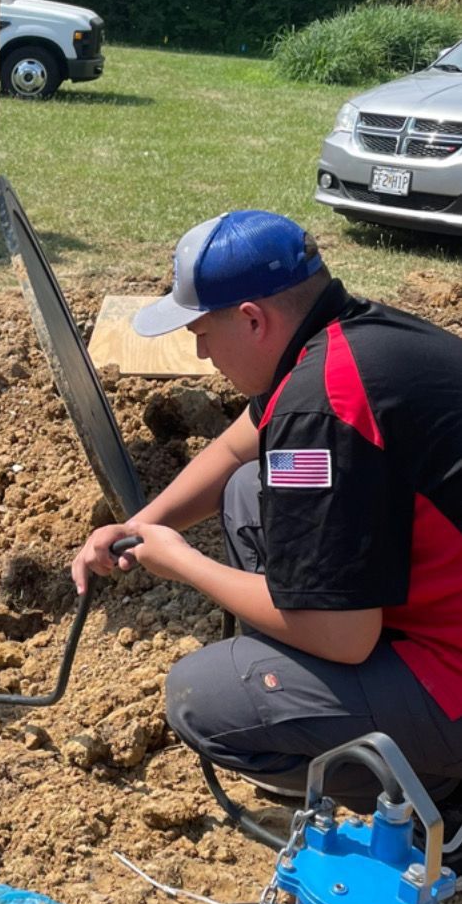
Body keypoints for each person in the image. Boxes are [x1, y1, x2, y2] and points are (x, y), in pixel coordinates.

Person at [73, 209, 462, 811]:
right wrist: (143, 524)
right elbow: (236, 446)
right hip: (442, 609)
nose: (202, 355)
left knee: (205, 696)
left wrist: (182, 563)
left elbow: (345, 635)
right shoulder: (356, 339)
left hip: (450, 675)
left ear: (253, 320)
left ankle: (438, 804)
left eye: (202, 333)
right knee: (246, 488)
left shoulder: (319, 408)